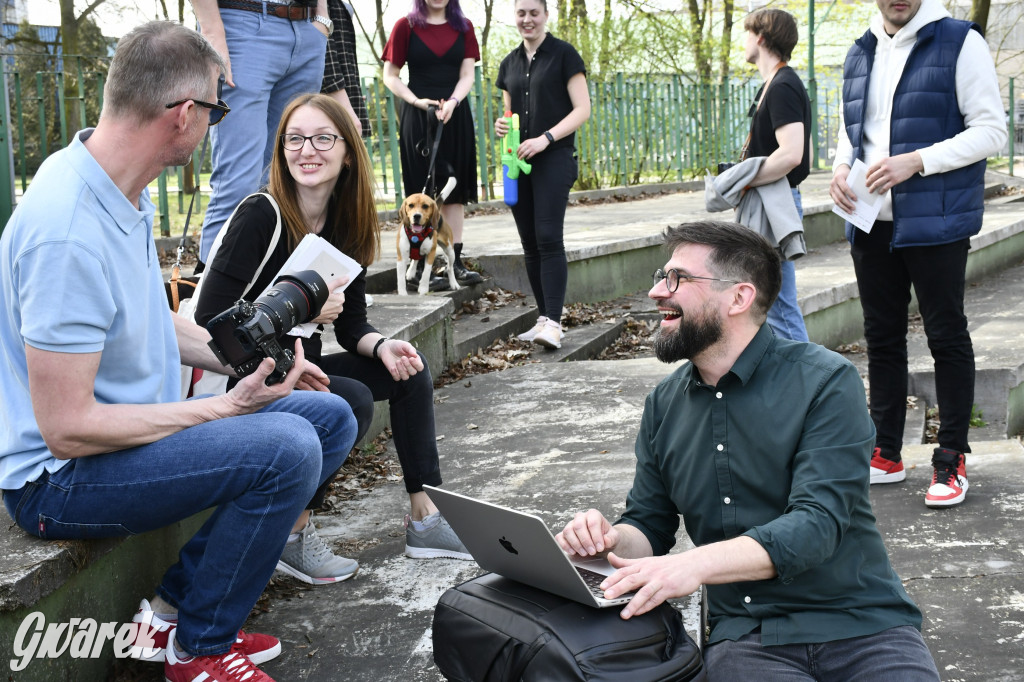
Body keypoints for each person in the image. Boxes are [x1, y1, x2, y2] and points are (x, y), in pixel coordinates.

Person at [0, 22, 357, 682]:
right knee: (287, 449)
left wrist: (260, 363)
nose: (219, 125)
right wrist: (224, 411)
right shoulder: (67, 232)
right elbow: (67, 429)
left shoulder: (116, 190)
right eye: (218, 110)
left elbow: (155, 321)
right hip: (59, 480)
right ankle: (200, 650)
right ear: (184, 115)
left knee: (329, 417)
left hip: (122, 439)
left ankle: (174, 615)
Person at [555, 221, 940, 681]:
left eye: (678, 278)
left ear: (738, 297)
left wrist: (692, 565)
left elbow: (818, 523)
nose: (658, 290)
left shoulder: (825, 381)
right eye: (663, 275)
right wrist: (610, 542)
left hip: (861, 623)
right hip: (748, 635)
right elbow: (649, 524)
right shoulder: (663, 403)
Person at [194, 93, 472, 574]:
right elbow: (209, 320)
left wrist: (383, 346)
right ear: (281, 150)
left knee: (409, 372)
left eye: (323, 138)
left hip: (304, 366)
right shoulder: (261, 215)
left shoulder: (347, 225)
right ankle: (293, 533)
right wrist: (299, 308)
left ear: (347, 152)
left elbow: (352, 325)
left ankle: (424, 519)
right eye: (295, 139)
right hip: (242, 375)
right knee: (348, 400)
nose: (308, 150)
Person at [830, 0, 1007, 507]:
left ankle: (951, 457)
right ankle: (885, 451)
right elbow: (854, 128)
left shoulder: (959, 41)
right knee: (881, 337)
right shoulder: (859, 51)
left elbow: (991, 129)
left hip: (937, 220)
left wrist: (918, 161)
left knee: (945, 334)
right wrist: (841, 167)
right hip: (870, 222)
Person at [189, 0, 332, 265]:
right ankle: (210, 300)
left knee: (288, 183)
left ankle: (268, 294)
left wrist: (321, 19)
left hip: (307, 27)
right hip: (243, 22)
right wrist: (211, 30)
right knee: (239, 184)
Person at [493, 0, 590, 350]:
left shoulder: (565, 54)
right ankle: (542, 319)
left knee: (548, 236)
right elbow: (508, 115)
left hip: (554, 158)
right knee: (530, 243)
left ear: (546, 15)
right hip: (517, 161)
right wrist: (502, 124)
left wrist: (546, 138)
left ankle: (554, 322)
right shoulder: (508, 63)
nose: (527, 19)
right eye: (521, 13)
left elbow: (583, 109)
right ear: (515, 17)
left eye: (534, 12)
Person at [382, 0, 483, 287]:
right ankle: (414, 268)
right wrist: (415, 102)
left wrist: (453, 101)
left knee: (455, 189)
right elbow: (390, 75)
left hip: (455, 114)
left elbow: (467, 75)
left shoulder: (464, 28)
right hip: (418, 115)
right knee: (421, 190)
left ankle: (454, 262)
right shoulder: (406, 26)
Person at [740, 8, 810, 342]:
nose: (744, 40)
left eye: (747, 32)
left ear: (761, 37)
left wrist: (745, 177)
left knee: (778, 304)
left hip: (775, 202)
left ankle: (808, 387)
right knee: (771, 302)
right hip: (772, 201)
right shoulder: (775, 84)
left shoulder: (782, 85)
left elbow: (792, 153)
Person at [322, 0, 369, 137]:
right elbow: (325, 56)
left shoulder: (342, 9)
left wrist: (349, 96)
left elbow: (346, 63)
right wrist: (345, 103)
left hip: (336, 100)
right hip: (319, 103)